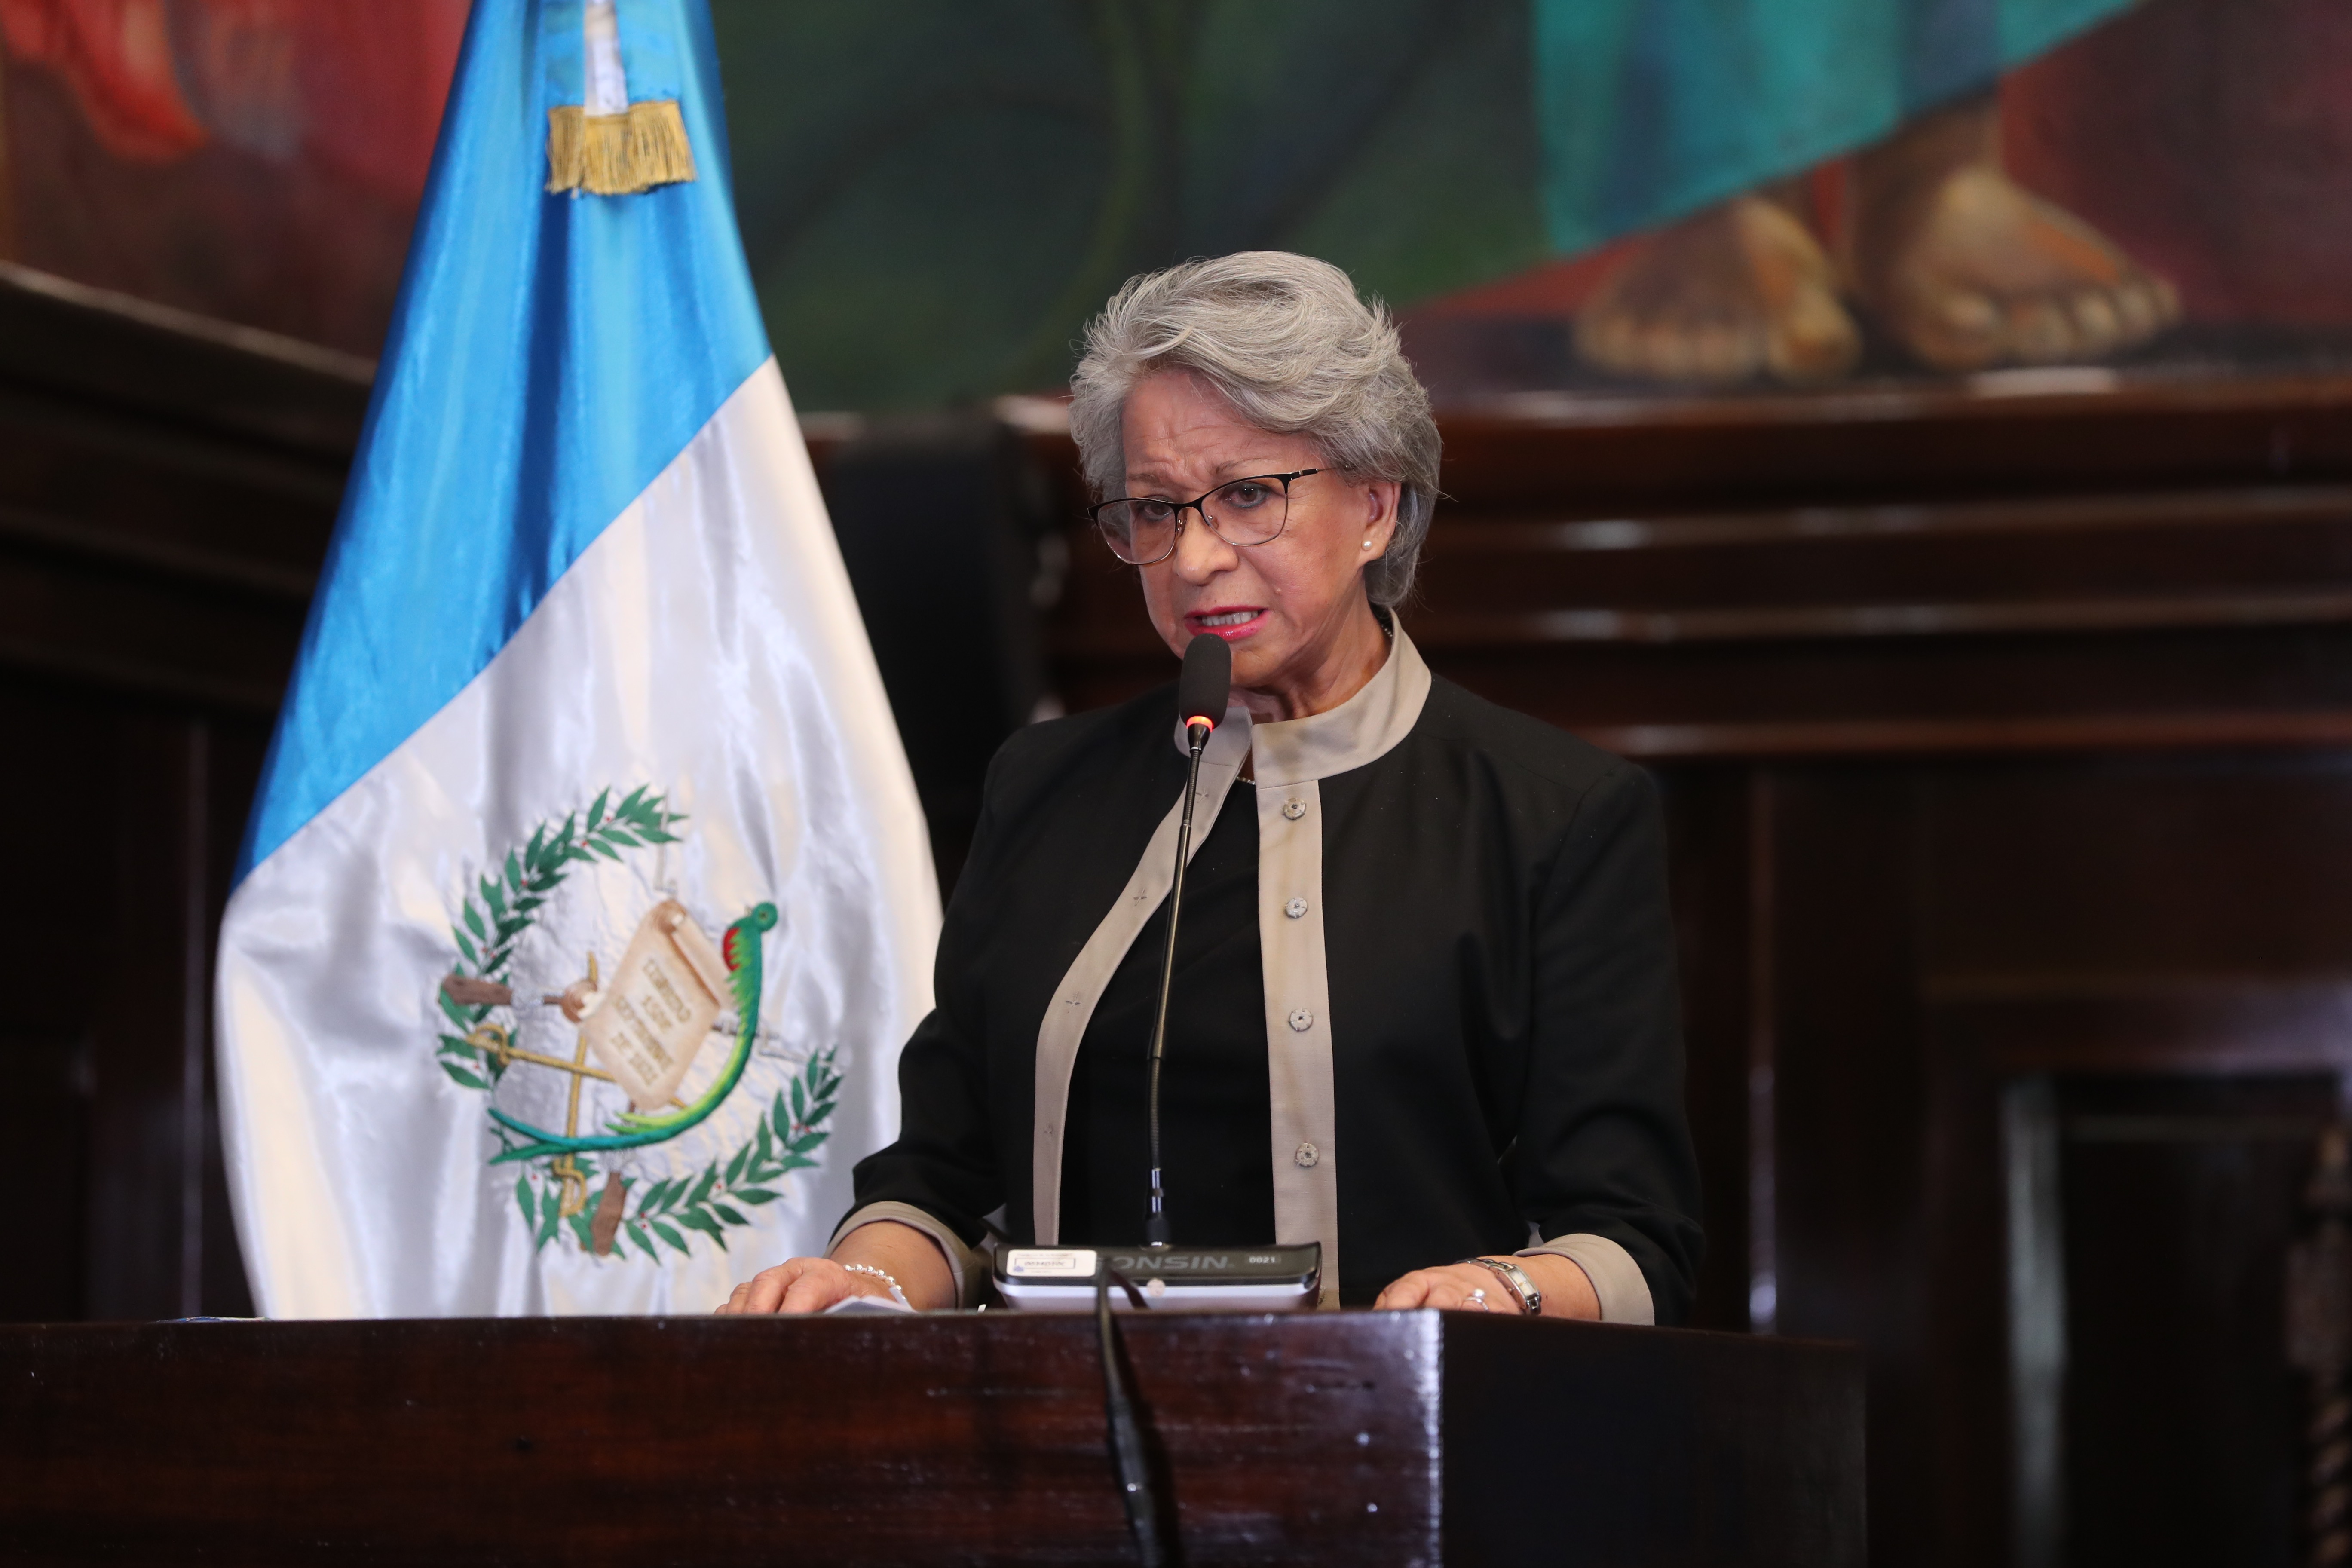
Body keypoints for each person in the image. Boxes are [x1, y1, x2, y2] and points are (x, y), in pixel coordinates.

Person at [719, 251, 1702, 1321]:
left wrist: (1496, 1295)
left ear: (1375, 507)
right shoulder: (1046, 789)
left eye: (1246, 498)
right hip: (1064, 1452)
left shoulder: (1552, 814)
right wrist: (857, 1280)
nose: (1192, 561)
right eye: (1153, 510)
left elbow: (1632, 1237)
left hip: (1421, 1447)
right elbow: (947, 1184)